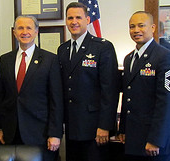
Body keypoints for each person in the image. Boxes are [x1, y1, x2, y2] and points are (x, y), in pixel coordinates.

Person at [57, 2, 119, 161]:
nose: (74, 21)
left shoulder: (102, 47)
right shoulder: (63, 50)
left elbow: (109, 90)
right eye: (70, 18)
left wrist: (105, 126)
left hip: (95, 128)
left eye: (78, 17)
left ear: (88, 19)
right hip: (71, 127)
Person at [0, 15, 63, 161]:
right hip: (11, 133)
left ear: (36, 31)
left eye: (29, 28)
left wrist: (55, 133)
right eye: (20, 28)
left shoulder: (50, 60)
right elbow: (2, 97)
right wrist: (0, 128)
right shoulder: (5, 60)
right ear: (14, 32)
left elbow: (56, 100)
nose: (24, 32)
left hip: (40, 134)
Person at [119, 11, 170, 161]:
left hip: (156, 144)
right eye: (132, 27)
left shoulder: (165, 56)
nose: (136, 30)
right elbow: (128, 96)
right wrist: (123, 129)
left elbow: (167, 103)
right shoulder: (128, 59)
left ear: (153, 28)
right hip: (134, 141)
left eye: (141, 26)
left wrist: (156, 140)